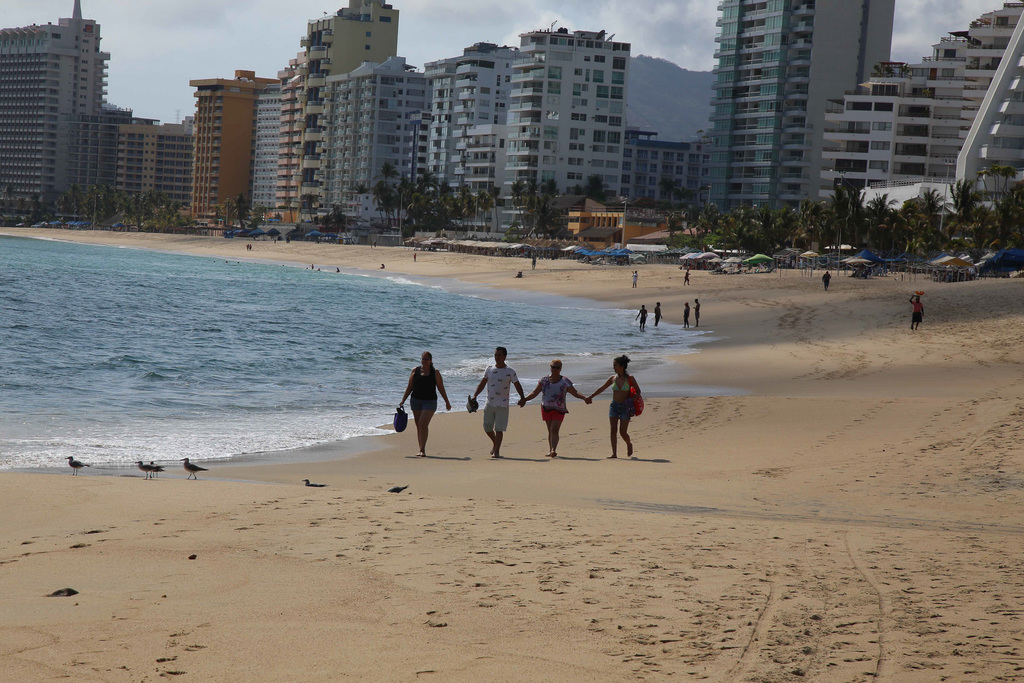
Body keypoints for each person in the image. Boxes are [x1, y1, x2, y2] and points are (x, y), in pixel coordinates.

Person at [522, 359, 591, 458]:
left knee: (554, 429)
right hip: (546, 408)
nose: (555, 369)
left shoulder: (565, 381)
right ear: (550, 367)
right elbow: (534, 392)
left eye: (557, 367)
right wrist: (524, 399)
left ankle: (553, 450)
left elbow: (575, 392)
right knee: (550, 430)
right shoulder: (544, 380)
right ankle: (550, 449)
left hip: (559, 409)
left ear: (560, 368)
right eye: (553, 367)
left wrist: (584, 398)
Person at [472, 347, 527, 458]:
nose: (497, 357)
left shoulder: (510, 372)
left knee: (499, 429)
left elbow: (517, 385)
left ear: (505, 357)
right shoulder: (489, 369)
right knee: (487, 427)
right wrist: (475, 396)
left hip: (503, 404)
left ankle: (496, 452)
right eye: (495, 355)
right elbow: (482, 383)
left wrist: (522, 398)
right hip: (490, 403)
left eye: (499, 355)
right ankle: (495, 443)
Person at [399, 352, 452, 457]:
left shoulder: (435, 372)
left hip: (430, 401)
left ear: (431, 360)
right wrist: (403, 400)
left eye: (426, 359)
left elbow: (441, 388)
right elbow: (410, 387)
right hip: (415, 400)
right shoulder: (415, 371)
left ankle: (422, 450)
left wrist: (447, 402)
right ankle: (420, 448)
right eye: (423, 359)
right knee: (418, 425)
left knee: (423, 422)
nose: (424, 361)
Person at [587, 355, 640, 459]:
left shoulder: (630, 378)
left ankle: (629, 444)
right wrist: (591, 396)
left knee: (623, 432)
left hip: (625, 407)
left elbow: (638, 391)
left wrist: (632, 399)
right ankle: (614, 454)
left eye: (615, 365)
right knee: (613, 430)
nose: (613, 367)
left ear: (622, 366)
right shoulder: (612, 378)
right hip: (614, 406)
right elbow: (602, 388)